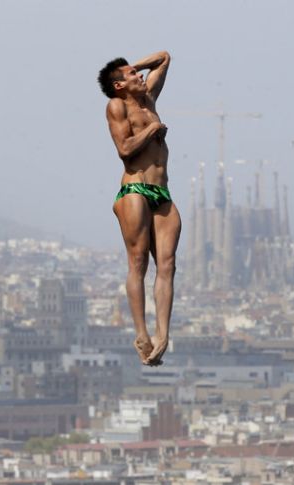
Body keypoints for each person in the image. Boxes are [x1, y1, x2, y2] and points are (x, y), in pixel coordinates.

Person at [97, 51, 180, 366]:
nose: (140, 77)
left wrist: (136, 68)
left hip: (162, 190)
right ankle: (141, 333)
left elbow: (164, 58)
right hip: (135, 188)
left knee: (168, 265)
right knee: (138, 263)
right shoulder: (117, 106)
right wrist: (151, 130)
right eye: (132, 75)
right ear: (119, 86)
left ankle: (163, 334)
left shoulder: (149, 99)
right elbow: (124, 149)